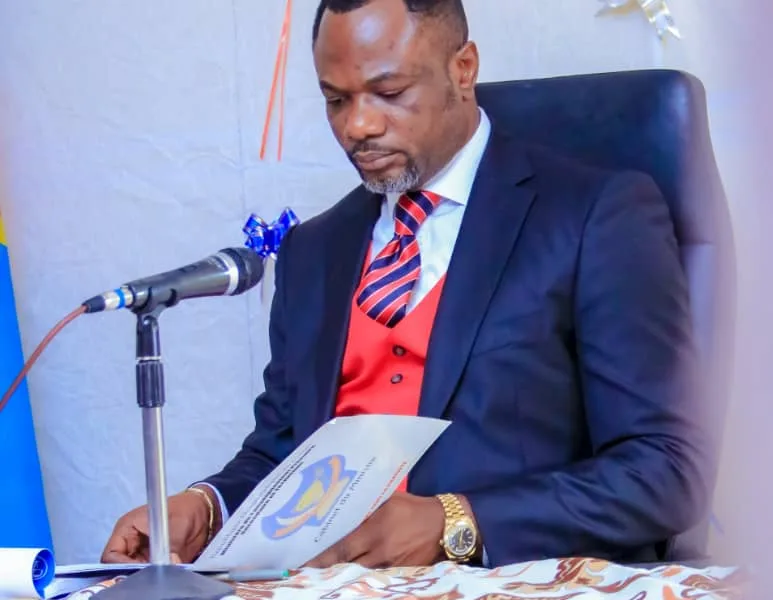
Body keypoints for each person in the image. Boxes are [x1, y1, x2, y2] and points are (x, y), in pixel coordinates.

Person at [101, 0, 710, 568]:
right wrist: (206, 507)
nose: (358, 125)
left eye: (389, 93)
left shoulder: (593, 215)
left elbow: (665, 470)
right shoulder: (313, 251)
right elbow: (281, 453)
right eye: (336, 100)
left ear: (463, 69)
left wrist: (456, 523)